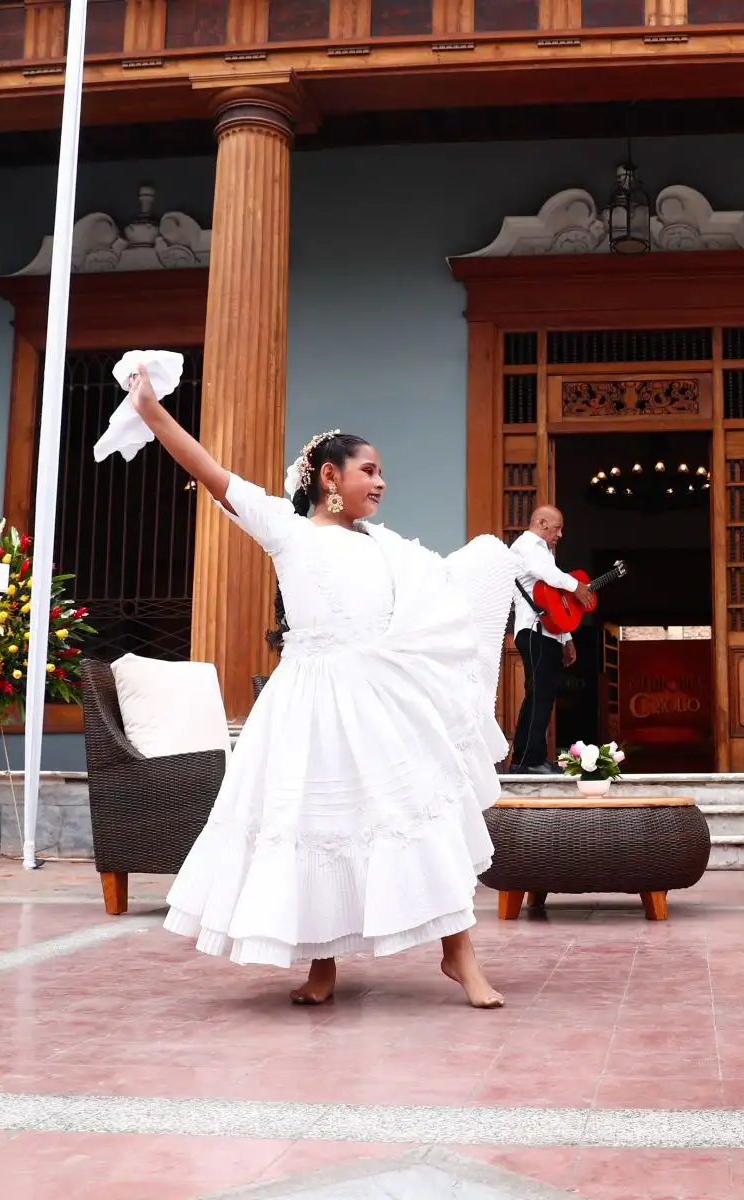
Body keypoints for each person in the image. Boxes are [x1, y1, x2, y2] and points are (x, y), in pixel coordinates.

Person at [126, 371, 516, 1009]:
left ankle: (460, 957)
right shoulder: (287, 530)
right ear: (330, 477)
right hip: (308, 701)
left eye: (381, 471)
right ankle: (321, 965)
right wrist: (151, 411)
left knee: (419, 816)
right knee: (315, 821)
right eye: (368, 469)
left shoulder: (388, 548)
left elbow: (428, 607)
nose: (380, 481)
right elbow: (210, 470)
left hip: (380, 699)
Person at [508, 505, 591, 774]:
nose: (561, 534)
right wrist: (576, 586)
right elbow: (546, 573)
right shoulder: (528, 545)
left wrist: (566, 638)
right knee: (539, 695)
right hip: (533, 631)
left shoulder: (545, 552)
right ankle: (528, 761)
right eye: (557, 528)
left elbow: (555, 603)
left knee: (542, 695)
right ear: (542, 523)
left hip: (547, 632)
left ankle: (527, 759)